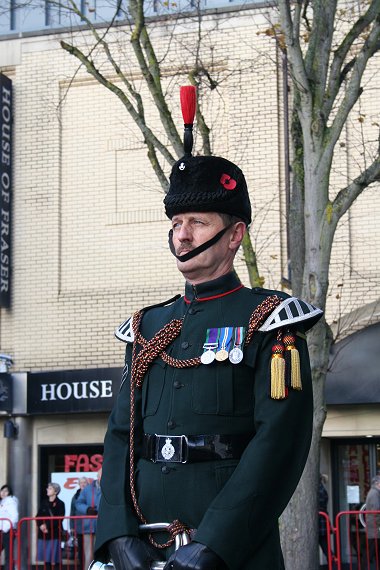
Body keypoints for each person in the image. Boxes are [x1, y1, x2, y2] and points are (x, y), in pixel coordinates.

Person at [93, 86, 323, 570]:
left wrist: (213, 545)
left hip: (230, 555)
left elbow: (279, 445)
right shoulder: (146, 327)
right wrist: (116, 535)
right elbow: (120, 438)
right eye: (178, 221)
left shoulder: (270, 321)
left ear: (235, 233)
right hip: (142, 549)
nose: (183, 233)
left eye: (198, 220)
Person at [75, 470, 101, 570]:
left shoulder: (108, 486)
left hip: (102, 526)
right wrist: (87, 509)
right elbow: (78, 503)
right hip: (88, 527)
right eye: (100, 474)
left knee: (102, 553)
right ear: (97, 476)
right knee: (89, 554)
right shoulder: (87, 489)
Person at [36, 482, 65, 570]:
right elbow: (38, 516)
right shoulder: (44, 502)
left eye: (50, 488)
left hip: (54, 533)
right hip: (44, 534)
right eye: (48, 488)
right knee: (46, 559)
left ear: (55, 491)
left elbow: (59, 518)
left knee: (55, 558)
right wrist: (41, 525)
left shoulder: (60, 503)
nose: (47, 490)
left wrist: (47, 526)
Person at [69, 477, 88, 570]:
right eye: (81, 483)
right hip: (79, 527)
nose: (83, 484)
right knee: (80, 549)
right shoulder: (75, 496)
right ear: (79, 484)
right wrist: (72, 526)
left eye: (84, 482)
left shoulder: (90, 494)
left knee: (89, 550)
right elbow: (72, 511)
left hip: (90, 526)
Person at [0, 484, 19, 570]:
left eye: (6, 491)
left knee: (9, 554)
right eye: (2, 490)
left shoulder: (10, 501)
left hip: (7, 531)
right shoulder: (2, 502)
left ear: (9, 493)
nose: (3, 493)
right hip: (2, 531)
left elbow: (15, 516)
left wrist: (6, 528)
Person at [365, 475, 380, 564]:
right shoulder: (375, 494)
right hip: (375, 527)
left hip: (374, 527)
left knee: (373, 550)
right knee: (371, 551)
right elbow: (376, 511)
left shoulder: (374, 493)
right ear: (377, 483)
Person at [319, 474, 333, 563]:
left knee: (325, 547)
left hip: (320, 522)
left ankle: (333, 563)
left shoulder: (319, 490)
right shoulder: (321, 488)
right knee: (325, 546)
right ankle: (333, 563)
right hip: (322, 521)